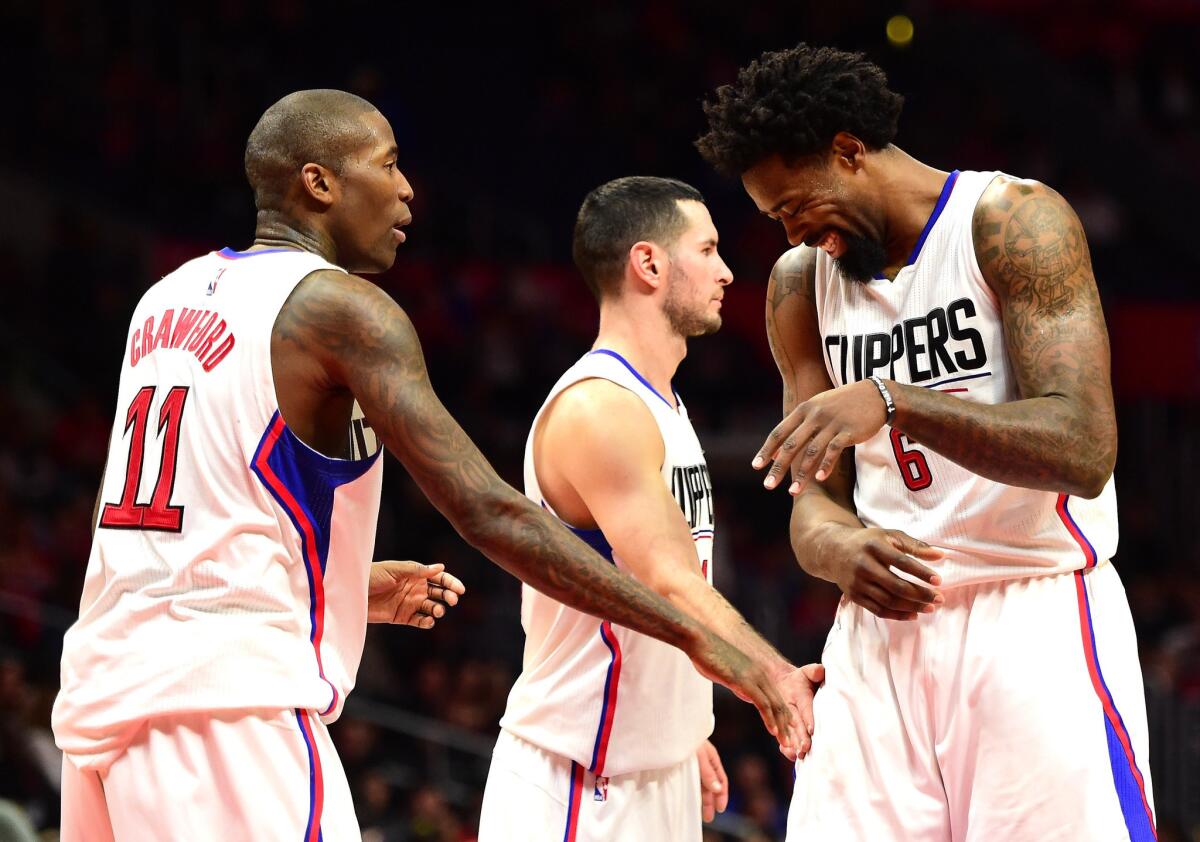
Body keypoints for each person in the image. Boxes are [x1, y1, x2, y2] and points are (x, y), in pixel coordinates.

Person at [51, 89, 806, 841]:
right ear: (319, 184)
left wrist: (338, 584)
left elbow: (140, 518)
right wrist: (695, 634)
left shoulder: (164, 299)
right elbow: (487, 510)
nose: (408, 189)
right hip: (224, 710)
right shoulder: (339, 309)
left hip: (101, 705)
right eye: (387, 164)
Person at [696, 45, 1156, 841]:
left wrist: (893, 400)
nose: (794, 231)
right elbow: (816, 513)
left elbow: (1085, 447)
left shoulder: (1011, 222)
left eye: (795, 205)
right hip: (881, 634)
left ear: (849, 150)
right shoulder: (798, 285)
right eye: (776, 219)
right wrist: (839, 551)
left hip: (1031, 611)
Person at [476, 177, 824, 841]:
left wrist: (678, 733)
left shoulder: (659, 402)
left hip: (645, 769)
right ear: (650, 264)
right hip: (582, 783)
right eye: (708, 249)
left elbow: (645, 600)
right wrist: (773, 678)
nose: (726, 271)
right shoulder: (599, 408)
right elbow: (670, 581)